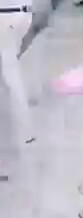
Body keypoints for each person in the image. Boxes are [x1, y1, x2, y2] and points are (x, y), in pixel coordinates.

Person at [0, 0, 35, 146]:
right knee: (9, 66)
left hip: (6, 15)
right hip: (24, 13)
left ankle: (24, 130)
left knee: (10, 72)